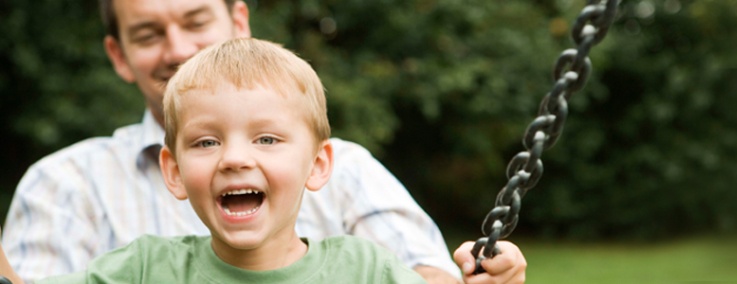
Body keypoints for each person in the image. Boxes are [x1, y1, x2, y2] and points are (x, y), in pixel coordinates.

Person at [2, 0, 477, 282]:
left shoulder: (362, 257)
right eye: (206, 143)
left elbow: (428, 272)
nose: (234, 158)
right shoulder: (132, 253)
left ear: (318, 165)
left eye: (267, 138)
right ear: (174, 170)